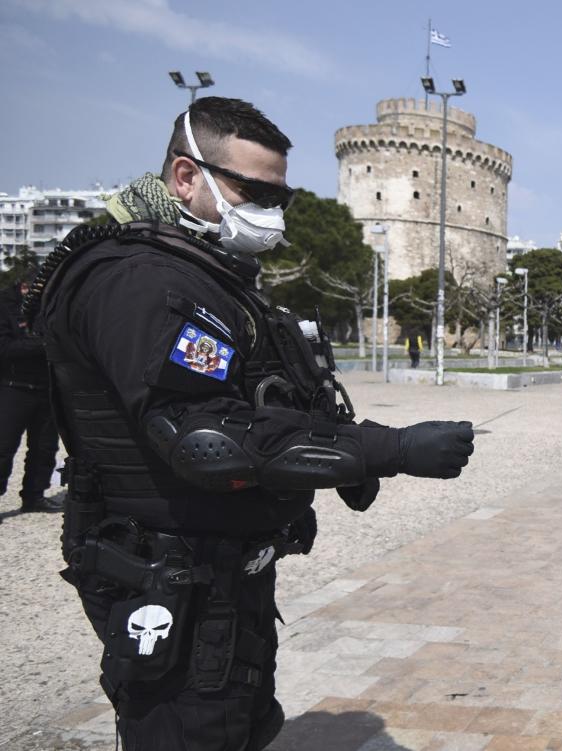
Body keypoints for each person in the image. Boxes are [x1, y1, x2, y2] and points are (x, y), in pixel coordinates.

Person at [27, 97, 476, 751]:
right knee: (195, 730)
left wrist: (339, 449)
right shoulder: (140, 281)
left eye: (280, 196)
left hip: (222, 572)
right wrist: (389, 449)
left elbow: (275, 398)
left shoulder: (212, 277)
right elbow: (208, 441)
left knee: (241, 725)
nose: (270, 209)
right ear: (186, 176)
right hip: (169, 570)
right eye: (253, 190)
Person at [0, 273, 62, 513]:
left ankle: (34, 496)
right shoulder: (5, 305)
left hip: (46, 387)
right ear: (25, 287)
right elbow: (5, 349)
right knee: (3, 448)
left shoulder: (50, 306)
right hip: (13, 386)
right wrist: (41, 345)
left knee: (45, 448)